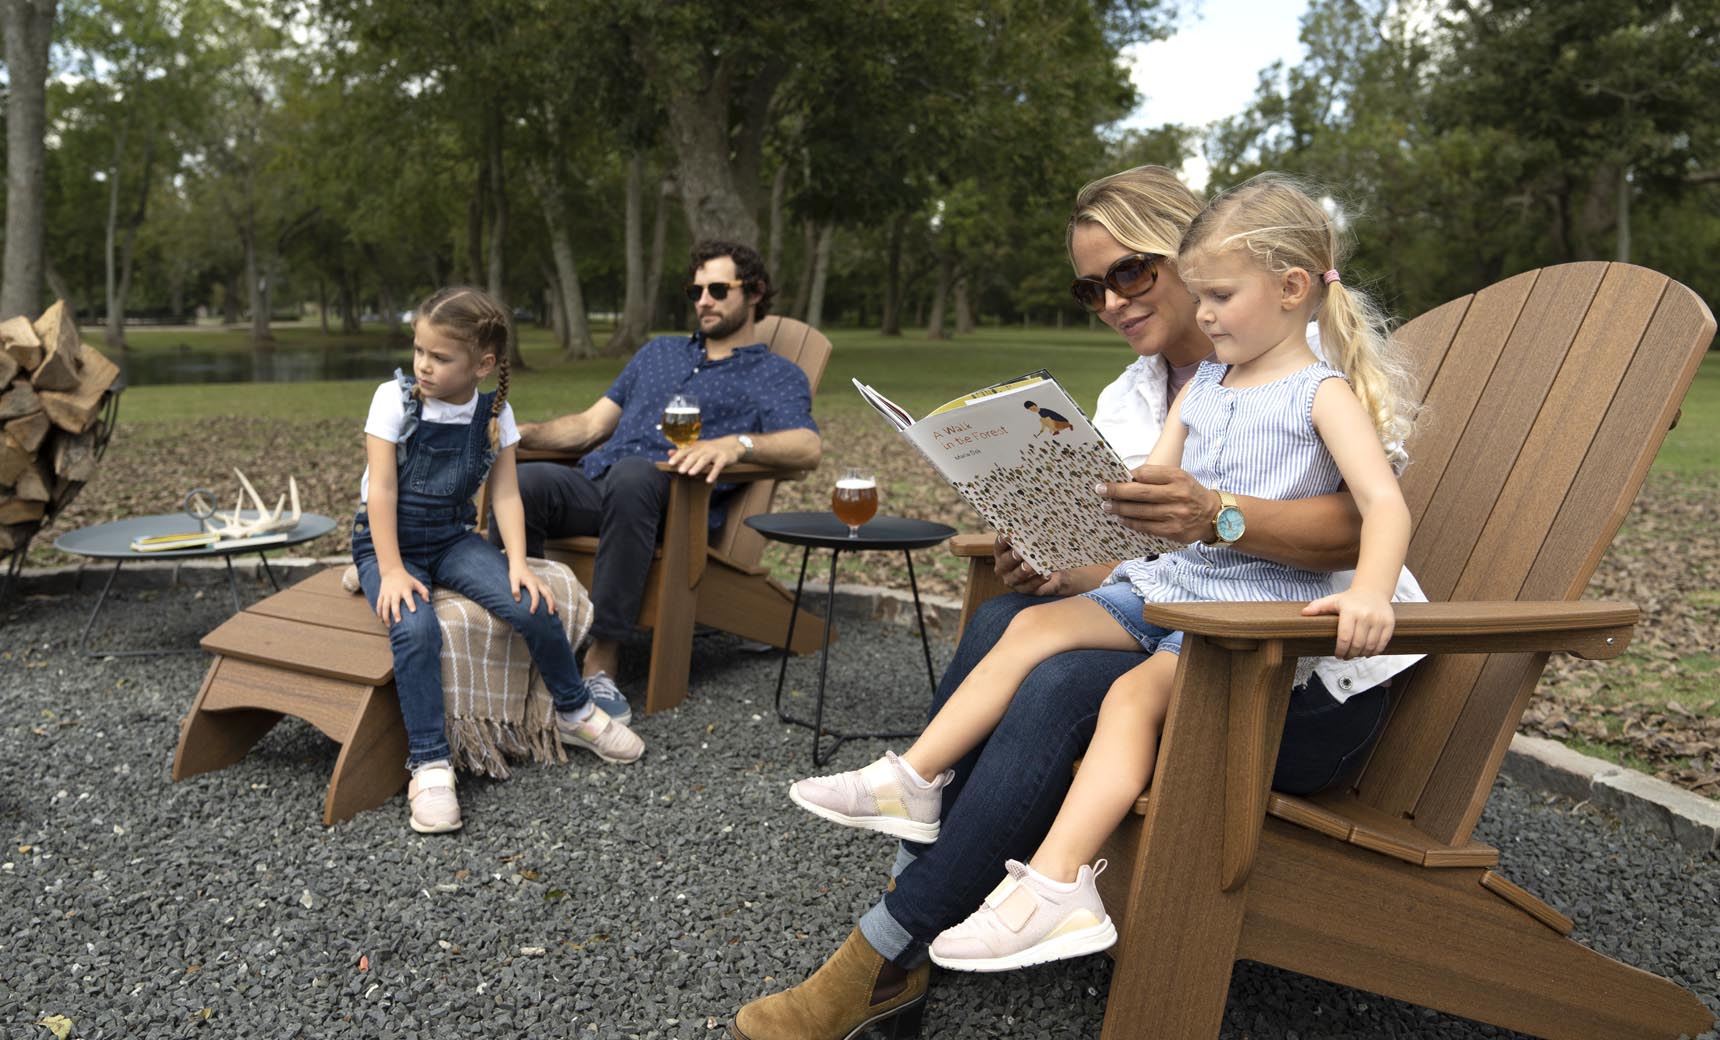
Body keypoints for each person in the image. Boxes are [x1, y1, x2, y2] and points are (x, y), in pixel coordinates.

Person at [728, 166, 1425, 1039]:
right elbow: (1147, 556)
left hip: (1306, 674)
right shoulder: (1138, 399)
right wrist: (1061, 560)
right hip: (1186, 618)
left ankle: (890, 947)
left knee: (1062, 688)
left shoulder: (1313, 372)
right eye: (1091, 288)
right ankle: (922, 859)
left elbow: (1357, 529)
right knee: (1006, 620)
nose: (1113, 301)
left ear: (1193, 253)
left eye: (1131, 273)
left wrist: (1220, 514)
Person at [353, 287, 644, 836]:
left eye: (439, 357)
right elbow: (382, 491)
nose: (423, 365)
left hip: (450, 536)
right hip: (385, 539)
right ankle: (430, 762)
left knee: (531, 602)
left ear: (482, 365)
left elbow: (506, 494)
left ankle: (574, 710)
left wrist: (517, 562)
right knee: (415, 627)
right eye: (419, 351)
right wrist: (390, 569)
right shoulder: (393, 400)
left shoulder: (494, 413)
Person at [502, 241, 821, 724]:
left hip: (674, 508)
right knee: (524, 484)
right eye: (696, 290)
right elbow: (591, 426)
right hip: (601, 486)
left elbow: (806, 447)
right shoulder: (658, 353)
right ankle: (508, 642)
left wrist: (738, 445)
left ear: (755, 293)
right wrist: (522, 434)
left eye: (717, 289)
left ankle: (600, 662)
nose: (703, 301)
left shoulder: (774, 373)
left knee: (634, 475)